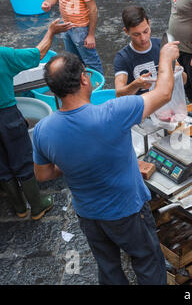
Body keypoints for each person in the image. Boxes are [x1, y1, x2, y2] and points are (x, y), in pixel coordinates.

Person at [32, 42, 181, 285]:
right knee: (147, 261)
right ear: (84, 79)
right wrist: (165, 57)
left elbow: (43, 174)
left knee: (109, 269)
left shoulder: (42, 130)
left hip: (89, 216)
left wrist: (74, 161)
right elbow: (164, 93)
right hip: (128, 212)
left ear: (54, 91)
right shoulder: (111, 113)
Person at [0, 18, 72, 221]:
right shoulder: (3, 55)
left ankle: (19, 207)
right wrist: (51, 31)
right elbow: (38, 53)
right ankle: (37, 205)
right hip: (7, 117)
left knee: (2, 165)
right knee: (22, 160)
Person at [114, 6, 186, 97]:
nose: (143, 38)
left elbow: (184, 80)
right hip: (141, 106)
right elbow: (119, 94)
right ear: (126, 31)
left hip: (166, 104)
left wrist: (178, 72)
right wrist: (135, 85)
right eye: (136, 34)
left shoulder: (162, 47)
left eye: (145, 31)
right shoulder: (122, 57)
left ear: (149, 23)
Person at [41, 0, 104, 74]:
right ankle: (80, 82)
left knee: (90, 61)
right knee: (73, 59)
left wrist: (90, 35)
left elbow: (93, 9)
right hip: (66, 26)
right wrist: (48, 2)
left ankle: (98, 84)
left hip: (81, 29)